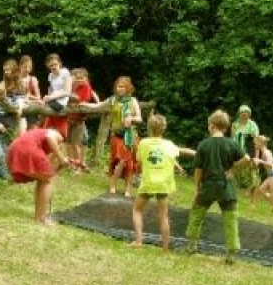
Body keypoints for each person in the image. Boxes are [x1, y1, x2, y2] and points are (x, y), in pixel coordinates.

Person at [185, 109, 250, 265]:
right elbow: (247, 158)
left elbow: (198, 170)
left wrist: (197, 189)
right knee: (231, 219)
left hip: (208, 187)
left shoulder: (204, 145)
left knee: (196, 215)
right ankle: (231, 254)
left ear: (212, 125)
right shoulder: (231, 143)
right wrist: (233, 169)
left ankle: (191, 246)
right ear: (226, 128)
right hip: (226, 187)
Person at [131, 114, 194, 250]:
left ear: (149, 127)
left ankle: (138, 241)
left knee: (137, 210)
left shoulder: (143, 143)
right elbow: (178, 152)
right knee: (163, 216)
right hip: (163, 184)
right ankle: (165, 247)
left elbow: (140, 160)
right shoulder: (169, 145)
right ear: (164, 129)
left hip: (148, 183)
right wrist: (197, 153)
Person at [81, 76, 142, 196]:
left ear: (128, 88)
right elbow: (98, 106)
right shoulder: (113, 100)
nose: (120, 89)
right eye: (118, 86)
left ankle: (127, 189)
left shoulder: (133, 101)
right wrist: (84, 104)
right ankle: (112, 186)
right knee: (116, 162)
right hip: (116, 136)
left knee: (129, 163)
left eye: (122, 87)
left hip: (130, 136)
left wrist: (131, 118)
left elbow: (139, 118)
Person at [7, 127, 70, 225]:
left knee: (44, 179)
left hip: (14, 148)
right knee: (48, 181)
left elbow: (48, 167)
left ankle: (39, 215)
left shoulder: (38, 135)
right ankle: (41, 218)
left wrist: (59, 165)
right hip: (27, 148)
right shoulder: (57, 135)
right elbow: (50, 137)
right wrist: (62, 158)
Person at [67, 68, 98, 172]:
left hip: (79, 119)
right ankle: (72, 164)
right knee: (69, 143)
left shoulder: (86, 87)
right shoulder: (72, 86)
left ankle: (79, 165)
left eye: (81, 78)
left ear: (86, 79)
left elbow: (83, 100)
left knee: (77, 143)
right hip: (69, 117)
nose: (78, 80)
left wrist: (75, 101)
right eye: (77, 78)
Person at [231, 104, 259, 204]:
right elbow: (232, 140)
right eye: (242, 112)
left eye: (246, 112)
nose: (244, 114)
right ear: (239, 113)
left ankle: (253, 203)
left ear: (249, 114)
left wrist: (256, 157)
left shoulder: (253, 125)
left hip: (249, 155)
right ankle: (233, 199)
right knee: (234, 177)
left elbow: (256, 142)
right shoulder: (235, 124)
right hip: (237, 155)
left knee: (253, 179)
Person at [42, 54, 72, 139]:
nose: (53, 67)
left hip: (62, 102)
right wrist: (48, 97)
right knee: (41, 105)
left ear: (59, 63)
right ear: (48, 66)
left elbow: (67, 92)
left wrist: (51, 97)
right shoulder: (50, 76)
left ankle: (59, 135)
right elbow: (51, 89)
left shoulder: (65, 73)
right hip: (53, 100)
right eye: (51, 65)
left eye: (55, 64)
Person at [0, 59, 27, 136]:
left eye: (7, 70)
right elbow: (3, 99)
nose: (6, 72)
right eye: (4, 70)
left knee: (22, 132)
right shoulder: (3, 83)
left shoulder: (20, 82)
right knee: (15, 134)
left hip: (20, 109)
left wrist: (20, 108)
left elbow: (22, 98)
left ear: (13, 69)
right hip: (9, 113)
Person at [19, 55, 42, 129]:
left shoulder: (33, 79)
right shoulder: (16, 79)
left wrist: (28, 95)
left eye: (29, 67)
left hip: (31, 108)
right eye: (25, 67)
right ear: (20, 66)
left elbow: (38, 97)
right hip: (19, 108)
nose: (27, 69)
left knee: (33, 130)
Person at [253, 135, 273, 207]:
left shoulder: (266, 153)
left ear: (260, 143)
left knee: (271, 195)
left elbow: (270, 164)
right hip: (270, 175)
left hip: (272, 175)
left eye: (255, 143)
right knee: (261, 190)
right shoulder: (264, 152)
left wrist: (260, 161)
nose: (254, 145)